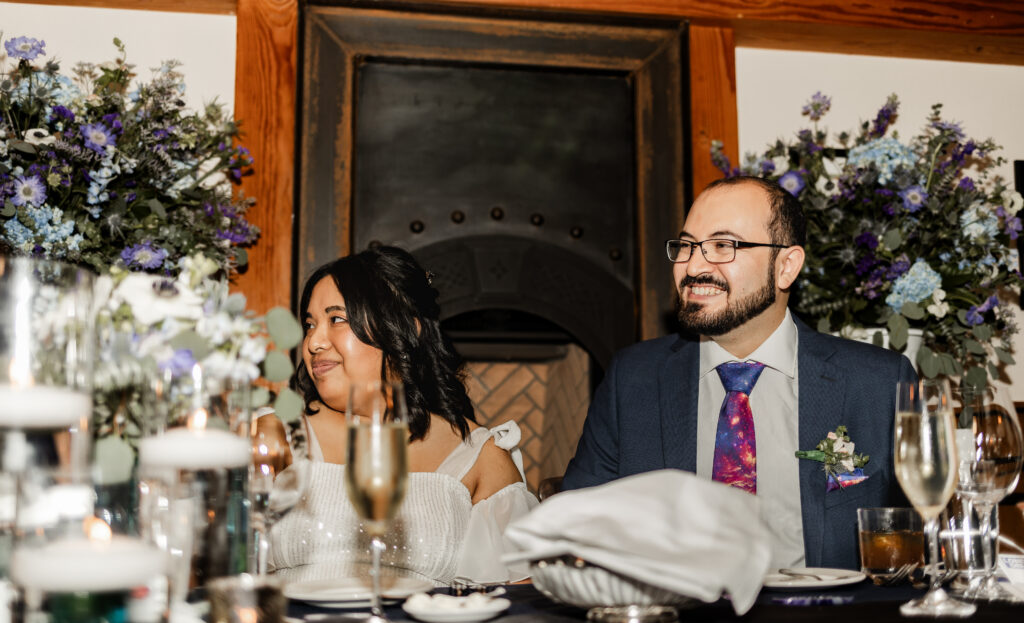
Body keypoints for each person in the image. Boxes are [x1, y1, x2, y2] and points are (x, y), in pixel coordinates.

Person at [561, 176, 916, 570]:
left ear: (786, 267)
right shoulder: (634, 380)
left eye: (722, 246)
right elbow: (575, 524)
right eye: (687, 246)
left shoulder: (879, 384)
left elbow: (920, 536)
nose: (694, 266)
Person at [268, 246, 537, 585]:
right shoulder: (278, 433)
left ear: (403, 329)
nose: (314, 342)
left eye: (336, 319)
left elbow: (519, 600)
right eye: (310, 324)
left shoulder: (480, 456)